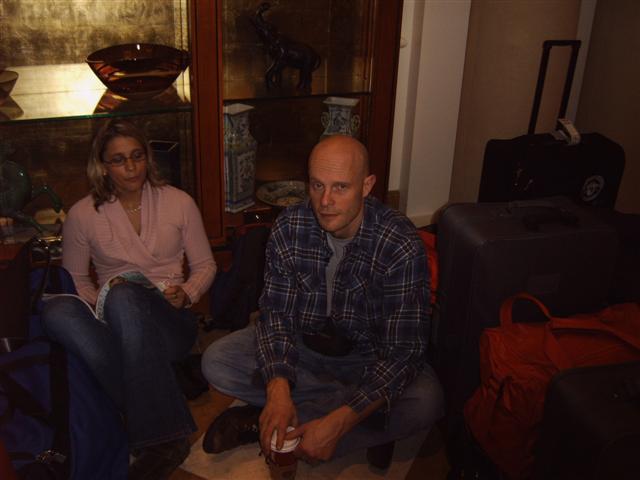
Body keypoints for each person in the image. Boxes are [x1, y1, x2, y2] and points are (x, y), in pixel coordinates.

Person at [201, 135, 443, 469]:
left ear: (367, 186)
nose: (325, 201)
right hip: (304, 348)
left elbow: (404, 351)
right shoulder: (290, 225)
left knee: (427, 400)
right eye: (317, 185)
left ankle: (268, 423)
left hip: (367, 357)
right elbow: (277, 316)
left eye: (340, 187)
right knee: (217, 361)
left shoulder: (399, 242)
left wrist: (342, 421)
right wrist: (278, 388)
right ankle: (371, 419)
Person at [41, 119, 216, 479]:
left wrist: (187, 293)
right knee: (55, 310)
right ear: (103, 166)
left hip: (170, 321)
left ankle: (162, 439)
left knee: (124, 295)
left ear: (148, 157)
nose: (131, 167)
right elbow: (75, 279)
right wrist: (99, 303)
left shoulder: (178, 202)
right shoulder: (82, 214)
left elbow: (205, 265)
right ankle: (160, 416)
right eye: (119, 160)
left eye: (137, 156)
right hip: (113, 316)